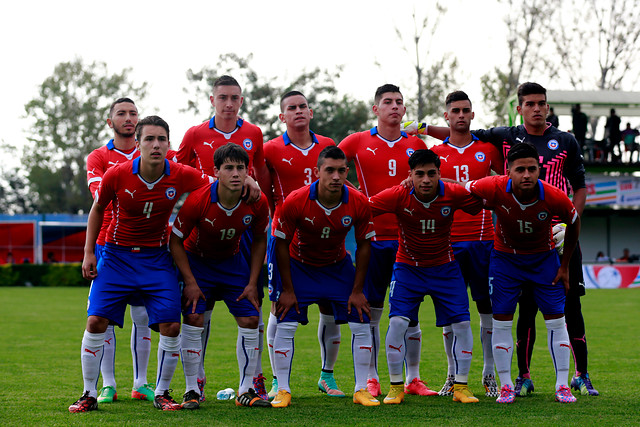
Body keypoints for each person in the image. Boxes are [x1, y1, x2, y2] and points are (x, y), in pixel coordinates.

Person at [420, 82, 597, 397]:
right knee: (519, 311)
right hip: (506, 246)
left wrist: (569, 227)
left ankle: (579, 376)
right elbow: (460, 134)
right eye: (530, 103)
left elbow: (579, 189)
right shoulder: (504, 138)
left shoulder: (565, 142)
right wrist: (421, 129)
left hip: (554, 238)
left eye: (542, 103)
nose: (537, 108)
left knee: (569, 308)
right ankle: (517, 378)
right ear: (520, 108)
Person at [70, 115, 211, 413]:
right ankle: (88, 394)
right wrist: (88, 252)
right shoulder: (118, 174)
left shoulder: (181, 174)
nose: (155, 145)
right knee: (96, 321)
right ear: (138, 143)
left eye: (161, 139)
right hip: (116, 256)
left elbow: (214, 184)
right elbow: (97, 210)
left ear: (169, 144)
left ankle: (162, 392)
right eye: (149, 139)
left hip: (157, 258)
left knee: (171, 325)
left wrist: (247, 181)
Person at [465, 142, 580, 404]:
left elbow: (574, 223)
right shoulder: (492, 186)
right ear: (508, 171)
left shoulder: (553, 195)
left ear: (539, 170)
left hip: (544, 260)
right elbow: (458, 189)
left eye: (532, 169)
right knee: (502, 322)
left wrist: (564, 266)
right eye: (520, 170)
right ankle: (506, 386)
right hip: (506, 261)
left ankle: (562, 386)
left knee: (555, 321)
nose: (526, 174)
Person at [177, 75, 269, 401]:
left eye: (234, 98)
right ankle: (195, 381)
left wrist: (258, 194)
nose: (228, 103)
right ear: (212, 99)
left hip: (240, 230)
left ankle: (253, 381)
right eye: (223, 97)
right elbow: (178, 170)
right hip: (203, 224)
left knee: (249, 306)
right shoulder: (195, 134)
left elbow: (259, 175)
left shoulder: (254, 133)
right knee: (199, 312)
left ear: (241, 101)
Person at [369, 149, 483, 405]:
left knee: (463, 325)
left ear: (440, 175)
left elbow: (485, 198)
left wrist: (455, 183)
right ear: (410, 175)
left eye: (432, 174)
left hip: (445, 267)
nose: (426, 180)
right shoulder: (399, 195)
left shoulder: (451, 193)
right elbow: (363, 207)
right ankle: (396, 386)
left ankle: (461, 386)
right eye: (419, 174)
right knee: (398, 323)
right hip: (408, 268)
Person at [338, 84, 431, 398]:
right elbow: (331, 168)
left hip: (411, 238)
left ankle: (414, 378)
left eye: (399, 103)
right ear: (375, 109)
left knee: (410, 310)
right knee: (372, 309)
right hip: (374, 238)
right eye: (387, 102)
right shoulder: (358, 141)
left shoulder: (416, 143)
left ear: (404, 111)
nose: (394, 106)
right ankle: (372, 376)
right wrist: (355, 197)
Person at [271, 146, 377, 408]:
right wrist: (286, 288)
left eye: (341, 170)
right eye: (330, 170)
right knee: (285, 318)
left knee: (362, 316)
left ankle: (361, 389)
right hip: (300, 266)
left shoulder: (358, 201)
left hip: (337, 266)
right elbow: (280, 244)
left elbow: (365, 245)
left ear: (347, 172)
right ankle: (282, 388)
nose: (336, 176)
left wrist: (357, 289)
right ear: (317, 172)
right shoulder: (296, 200)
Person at [263, 91, 339, 398]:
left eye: (303, 106)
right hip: (284, 238)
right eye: (291, 108)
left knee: (331, 306)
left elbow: (341, 184)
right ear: (282, 117)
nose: (298, 111)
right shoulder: (269, 150)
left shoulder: (327, 146)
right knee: (279, 307)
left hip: (327, 238)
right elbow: (263, 192)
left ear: (310, 112)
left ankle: (327, 376)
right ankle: (277, 380)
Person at [431, 91, 503, 398]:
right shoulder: (435, 153)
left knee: (487, 310)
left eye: (466, 110)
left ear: (473, 115)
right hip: (447, 244)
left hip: (484, 241)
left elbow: (504, 183)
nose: (461, 115)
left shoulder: (487, 149)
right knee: (451, 313)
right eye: (455, 111)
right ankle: (451, 374)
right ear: (446, 116)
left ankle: (489, 373)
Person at [84, 98, 156, 405]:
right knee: (105, 317)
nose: (128, 118)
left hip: (147, 244)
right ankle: (108, 384)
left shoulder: (155, 152)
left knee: (142, 315)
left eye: (133, 114)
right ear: (109, 120)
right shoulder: (99, 157)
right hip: (107, 244)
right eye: (121, 114)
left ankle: (140, 382)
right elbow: (101, 196)